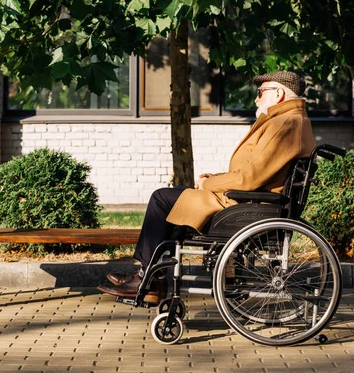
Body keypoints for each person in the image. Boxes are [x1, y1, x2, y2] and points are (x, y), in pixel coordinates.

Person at [97, 71, 316, 304]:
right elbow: (255, 171)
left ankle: (148, 280)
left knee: (162, 199)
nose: (256, 99)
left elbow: (250, 178)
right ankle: (151, 279)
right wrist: (216, 177)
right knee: (174, 204)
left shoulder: (284, 124)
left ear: (279, 94)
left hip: (248, 204)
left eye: (261, 92)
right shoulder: (289, 121)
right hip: (249, 199)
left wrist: (209, 183)